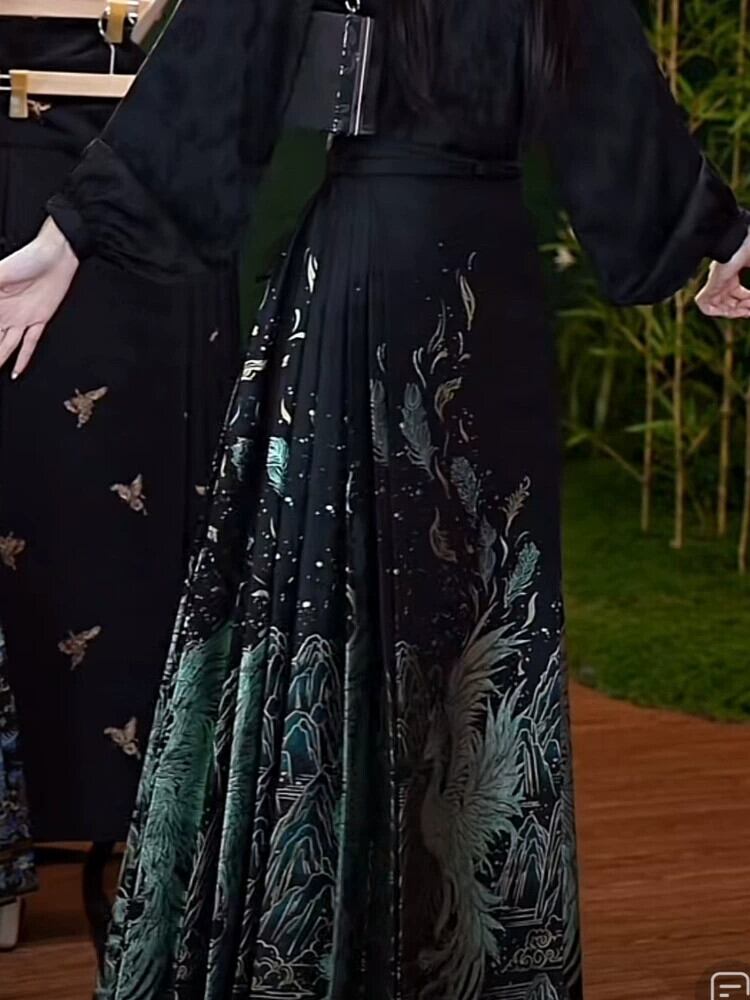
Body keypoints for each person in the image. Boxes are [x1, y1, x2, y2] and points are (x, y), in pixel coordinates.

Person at [0, 0, 747, 996]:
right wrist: (719, 236)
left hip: (395, 286)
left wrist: (71, 233)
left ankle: (331, 944)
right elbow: (612, 97)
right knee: (452, 626)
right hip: (464, 291)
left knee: (404, 622)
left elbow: (225, 61)